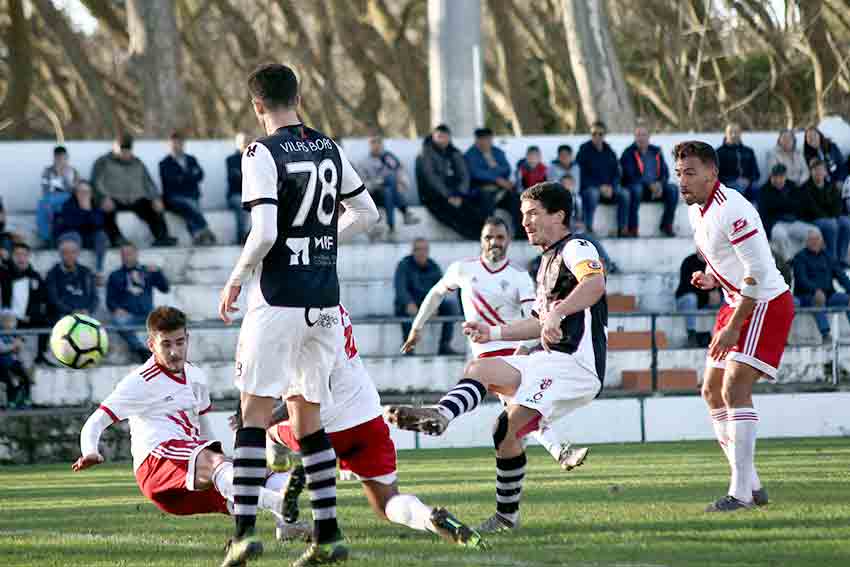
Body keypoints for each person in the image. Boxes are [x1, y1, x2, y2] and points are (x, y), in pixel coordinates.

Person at [216, 63, 378, 567]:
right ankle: (327, 535)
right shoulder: (328, 146)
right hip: (324, 303)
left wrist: (236, 277)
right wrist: (322, 240)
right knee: (309, 420)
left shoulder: (259, 152)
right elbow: (367, 213)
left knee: (253, 415)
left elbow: (264, 232)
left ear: (257, 105)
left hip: (278, 299)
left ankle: (242, 534)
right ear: (298, 96)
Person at [388, 182, 608, 533]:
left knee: (507, 425)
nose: (526, 223)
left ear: (559, 215)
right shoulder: (545, 263)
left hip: (577, 366)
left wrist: (557, 312)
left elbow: (595, 285)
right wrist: (491, 334)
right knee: (481, 368)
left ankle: (506, 516)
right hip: (550, 361)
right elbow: (538, 323)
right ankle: (442, 415)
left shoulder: (577, 247)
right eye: (523, 216)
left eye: (533, 214)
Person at [262, 305, 485, 548]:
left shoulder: (290, 314)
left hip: (319, 425)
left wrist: (262, 418)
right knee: (387, 503)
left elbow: (306, 390)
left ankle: (285, 497)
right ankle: (430, 518)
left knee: (270, 435)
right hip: (366, 417)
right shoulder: (335, 307)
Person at [71, 307, 292, 534]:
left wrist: (224, 460)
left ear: (187, 339)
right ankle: (281, 504)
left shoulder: (196, 376)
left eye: (179, 342)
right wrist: (89, 451)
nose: (175, 351)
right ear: (151, 345)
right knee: (220, 466)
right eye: (166, 344)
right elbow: (96, 421)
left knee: (263, 472)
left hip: (191, 469)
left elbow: (205, 429)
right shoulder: (139, 382)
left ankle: (286, 527)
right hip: (156, 465)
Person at [401, 217, 590, 471]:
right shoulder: (463, 269)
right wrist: (417, 327)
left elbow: (537, 320)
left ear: (508, 241)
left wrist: (523, 348)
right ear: (481, 240)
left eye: (500, 237)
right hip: (484, 355)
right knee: (521, 408)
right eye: (489, 237)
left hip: (512, 352)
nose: (494, 243)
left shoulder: (519, 276)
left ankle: (440, 413)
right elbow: (436, 293)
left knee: (521, 407)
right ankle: (557, 451)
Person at [675, 140, 793, 512]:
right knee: (710, 391)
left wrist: (732, 326)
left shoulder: (734, 210)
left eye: (690, 173)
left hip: (764, 303)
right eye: (679, 173)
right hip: (736, 300)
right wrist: (712, 277)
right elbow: (730, 260)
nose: (682, 181)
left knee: (734, 388)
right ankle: (752, 484)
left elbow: (757, 274)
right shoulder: (698, 209)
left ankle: (740, 494)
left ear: (713, 173)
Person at [91, 133, 177, 248]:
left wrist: (155, 198)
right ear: (115, 147)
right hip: (113, 199)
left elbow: (148, 183)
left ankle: (162, 236)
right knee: (106, 213)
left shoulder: (138, 163)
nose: (125, 152)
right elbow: (95, 182)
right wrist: (102, 198)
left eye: (128, 149)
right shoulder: (103, 162)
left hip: (135, 199)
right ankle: (117, 239)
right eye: (122, 149)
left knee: (153, 208)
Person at [393, 238, 460, 356]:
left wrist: (435, 305)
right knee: (404, 309)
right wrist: (408, 303)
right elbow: (400, 289)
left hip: (428, 303)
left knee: (451, 307)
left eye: (424, 249)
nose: (421, 252)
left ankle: (444, 346)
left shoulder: (433, 266)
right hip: (410, 304)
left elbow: (442, 289)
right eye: (417, 249)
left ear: (428, 251)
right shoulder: (403, 265)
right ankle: (408, 347)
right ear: (412, 251)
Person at [416, 124, 483, 240]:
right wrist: (449, 195)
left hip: (457, 194)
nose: (443, 140)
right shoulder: (425, 154)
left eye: (445, 137)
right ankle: (475, 237)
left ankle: (483, 233)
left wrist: (460, 194)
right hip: (434, 197)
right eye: (439, 137)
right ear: (433, 137)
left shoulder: (454, 152)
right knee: (453, 215)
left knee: (475, 209)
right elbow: (431, 179)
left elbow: (464, 174)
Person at [106, 243, 170, 364]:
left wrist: (158, 272)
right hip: (129, 316)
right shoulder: (115, 275)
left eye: (129, 253)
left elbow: (165, 288)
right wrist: (116, 309)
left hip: (149, 314)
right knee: (118, 321)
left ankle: (166, 354)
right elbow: (109, 301)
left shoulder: (148, 271)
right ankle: (141, 350)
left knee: (168, 320)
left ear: (136, 254)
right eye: (123, 254)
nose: (126, 257)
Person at [356, 133, 419, 240]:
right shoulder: (363, 163)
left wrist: (401, 183)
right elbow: (363, 186)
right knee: (389, 182)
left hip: (389, 193)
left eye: (379, 142)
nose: (376, 145)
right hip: (374, 195)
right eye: (373, 142)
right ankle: (404, 213)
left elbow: (401, 172)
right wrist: (380, 182)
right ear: (369, 145)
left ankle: (391, 227)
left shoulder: (389, 158)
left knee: (389, 190)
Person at [619, 125, 679, 237]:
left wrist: (660, 184)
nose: (641, 138)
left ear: (649, 137)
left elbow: (665, 172)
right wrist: (649, 185)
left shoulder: (656, 151)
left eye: (643, 135)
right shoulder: (628, 153)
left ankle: (666, 225)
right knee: (636, 189)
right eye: (638, 135)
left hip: (656, 188)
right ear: (634, 137)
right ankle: (633, 228)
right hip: (639, 188)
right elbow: (630, 175)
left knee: (673, 189)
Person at [159, 131, 216, 246]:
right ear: (169, 145)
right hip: (173, 198)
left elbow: (200, 175)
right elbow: (171, 181)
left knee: (189, 210)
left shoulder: (191, 159)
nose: (176, 146)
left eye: (179, 143)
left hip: (192, 196)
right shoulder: (164, 163)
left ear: (183, 144)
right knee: (189, 205)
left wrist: (182, 177)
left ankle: (197, 235)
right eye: (173, 144)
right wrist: (189, 176)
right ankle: (205, 230)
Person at [792, 230, 850, 343]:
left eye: (817, 239)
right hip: (806, 296)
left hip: (828, 295)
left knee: (846, 299)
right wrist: (815, 290)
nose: (814, 242)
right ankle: (826, 334)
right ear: (806, 242)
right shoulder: (799, 257)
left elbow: (841, 276)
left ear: (822, 241)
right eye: (811, 240)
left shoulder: (828, 256)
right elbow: (802, 280)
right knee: (817, 300)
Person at [0, 243, 52, 365]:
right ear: (12, 257)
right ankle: (11, 358)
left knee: (46, 321)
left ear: (29, 256)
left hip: (28, 317)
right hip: (8, 317)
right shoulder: (5, 273)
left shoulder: (35, 276)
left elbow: (41, 299)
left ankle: (41, 355)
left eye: (24, 255)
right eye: (17, 255)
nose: (21, 258)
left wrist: (31, 315)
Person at [758, 164, 819, 262]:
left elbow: (800, 206)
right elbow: (763, 215)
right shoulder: (764, 190)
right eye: (775, 177)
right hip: (776, 223)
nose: (778, 180)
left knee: (814, 231)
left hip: (793, 221)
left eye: (781, 177)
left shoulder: (792, 186)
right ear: (771, 177)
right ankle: (789, 261)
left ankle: (808, 259)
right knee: (780, 235)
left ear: (785, 177)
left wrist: (781, 205)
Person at [576, 121, 628, 236]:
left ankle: (622, 228)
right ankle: (588, 227)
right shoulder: (583, 151)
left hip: (609, 189)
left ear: (604, 135)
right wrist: (600, 187)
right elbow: (581, 175)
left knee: (624, 194)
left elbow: (617, 173)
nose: (597, 137)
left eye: (600, 134)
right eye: (594, 134)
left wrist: (612, 187)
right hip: (590, 189)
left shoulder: (609, 151)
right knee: (593, 194)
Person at [797, 160, 850, 267]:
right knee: (832, 225)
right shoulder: (805, 188)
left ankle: (842, 259)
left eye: (821, 170)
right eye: (816, 170)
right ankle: (832, 261)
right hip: (812, 219)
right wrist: (831, 218)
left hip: (830, 218)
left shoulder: (830, 185)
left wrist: (834, 216)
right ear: (811, 171)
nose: (819, 172)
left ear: (825, 172)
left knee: (846, 222)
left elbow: (838, 205)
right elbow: (813, 209)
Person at [464, 128, 518, 235]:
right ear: (477, 140)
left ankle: (521, 233)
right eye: (482, 140)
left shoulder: (497, 152)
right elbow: (476, 173)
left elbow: (506, 169)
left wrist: (491, 172)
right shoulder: (470, 154)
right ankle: (489, 233)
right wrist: (496, 178)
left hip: (501, 188)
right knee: (485, 203)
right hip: (480, 189)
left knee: (516, 199)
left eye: (488, 139)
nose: (485, 142)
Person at [53, 180, 109, 279]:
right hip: (69, 237)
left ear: (91, 194)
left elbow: (99, 224)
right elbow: (72, 224)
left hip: (87, 238)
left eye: (86, 192)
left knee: (101, 235)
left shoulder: (94, 206)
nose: (84, 195)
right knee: (75, 235)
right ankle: (72, 269)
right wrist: (85, 212)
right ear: (76, 193)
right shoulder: (68, 205)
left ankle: (99, 269)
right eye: (81, 192)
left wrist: (88, 211)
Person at [44, 233, 98, 323]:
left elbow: (94, 297)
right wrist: (71, 311)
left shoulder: (86, 272)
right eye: (66, 252)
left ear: (78, 253)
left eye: (73, 252)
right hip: (62, 315)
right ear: (60, 254)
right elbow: (53, 299)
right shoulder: (52, 274)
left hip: (85, 314)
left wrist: (88, 310)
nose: (70, 255)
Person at [675, 251, 723, 347]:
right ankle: (691, 334)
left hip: (706, 302)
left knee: (728, 300)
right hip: (686, 300)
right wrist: (708, 295)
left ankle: (723, 334)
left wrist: (718, 294)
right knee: (690, 299)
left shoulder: (714, 261)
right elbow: (687, 287)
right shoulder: (689, 261)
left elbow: (723, 283)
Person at [38, 145, 80, 244]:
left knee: (46, 204)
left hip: (67, 197)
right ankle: (47, 238)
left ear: (66, 158)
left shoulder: (73, 171)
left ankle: (49, 237)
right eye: (58, 157)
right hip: (51, 198)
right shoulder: (47, 171)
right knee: (44, 205)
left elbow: (74, 190)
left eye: (63, 157)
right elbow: (45, 188)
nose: (60, 160)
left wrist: (63, 175)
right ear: (54, 158)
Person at [716, 123, 760, 203]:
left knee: (756, 189)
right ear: (726, 134)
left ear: (740, 134)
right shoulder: (719, 152)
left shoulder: (748, 151)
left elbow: (756, 173)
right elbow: (715, 175)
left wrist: (748, 181)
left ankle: (753, 214)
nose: (733, 135)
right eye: (730, 132)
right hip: (728, 186)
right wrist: (733, 181)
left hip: (747, 186)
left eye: (736, 132)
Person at [0, 310, 32, 408]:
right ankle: (11, 401)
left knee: (26, 377)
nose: (11, 324)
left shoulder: (15, 333)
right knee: (11, 380)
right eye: (8, 321)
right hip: (2, 363)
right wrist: (14, 346)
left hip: (13, 362)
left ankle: (26, 398)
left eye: (12, 322)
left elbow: (21, 347)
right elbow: (2, 348)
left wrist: (18, 345)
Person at [227, 133, 252, 244]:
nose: (245, 143)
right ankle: (242, 237)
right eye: (243, 141)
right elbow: (236, 179)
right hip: (236, 195)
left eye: (247, 141)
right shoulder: (231, 160)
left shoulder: (254, 158)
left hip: (252, 194)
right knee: (243, 205)